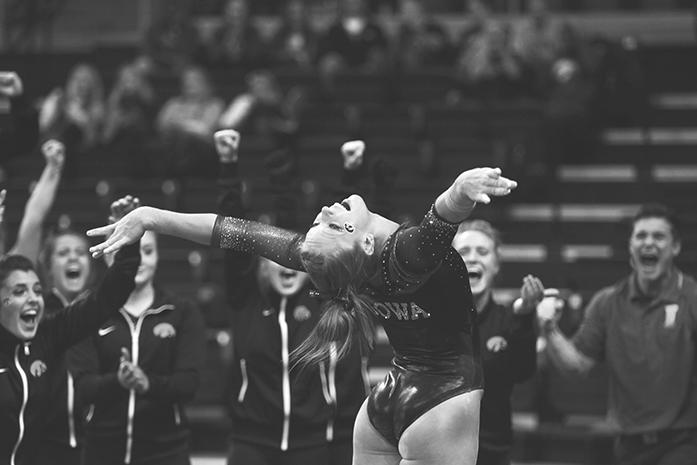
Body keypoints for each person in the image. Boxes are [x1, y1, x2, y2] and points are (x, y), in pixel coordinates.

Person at [87, 157, 518, 465]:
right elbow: (441, 217)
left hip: (382, 405)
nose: (327, 210)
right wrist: (460, 191)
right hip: (442, 401)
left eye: (322, 222)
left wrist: (153, 216)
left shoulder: (331, 261)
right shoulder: (403, 255)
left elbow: (232, 232)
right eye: (333, 225)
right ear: (365, 243)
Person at [214, 130, 368, 465]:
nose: (288, 268)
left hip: (313, 445)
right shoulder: (246, 299)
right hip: (250, 443)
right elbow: (232, 241)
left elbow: (336, 242)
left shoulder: (324, 299)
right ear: (261, 266)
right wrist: (228, 167)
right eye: (278, 260)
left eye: (297, 261)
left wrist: (350, 177)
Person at [540, 203, 697, 465]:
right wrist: (549, 328)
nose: (649, 243)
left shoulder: (692, 298)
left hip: (683, 443)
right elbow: (577, 365)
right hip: (627, 446)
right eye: (641, 236)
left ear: (675, 247)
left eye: (658, 236)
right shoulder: (607, 302)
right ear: (630, 247)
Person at [0, 196, 140, 465]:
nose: (33, 298)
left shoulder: (47, 334)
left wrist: (129, 246)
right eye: (19, 291)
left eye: (36, 291)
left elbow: (106, 300)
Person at [67, 203, 206, 465]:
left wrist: (147, 384)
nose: (139, 259)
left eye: (148, 250)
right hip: (101, 452)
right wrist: (117, 381)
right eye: (127, 249)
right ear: (108, 255)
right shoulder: (87, 312)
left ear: (158, 256)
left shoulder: (182, 311)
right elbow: (83, 387)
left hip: (167, 452)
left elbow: (189, 384)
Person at [452, 220, 541, 465]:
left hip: (493, 451)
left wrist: (524, 317)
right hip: (439, 447)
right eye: (463, 252)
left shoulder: (510, 320)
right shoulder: (433, 319)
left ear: (496, 265)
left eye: (483, 252)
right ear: (449, 264)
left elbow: (524, 371)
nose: (472, 258)